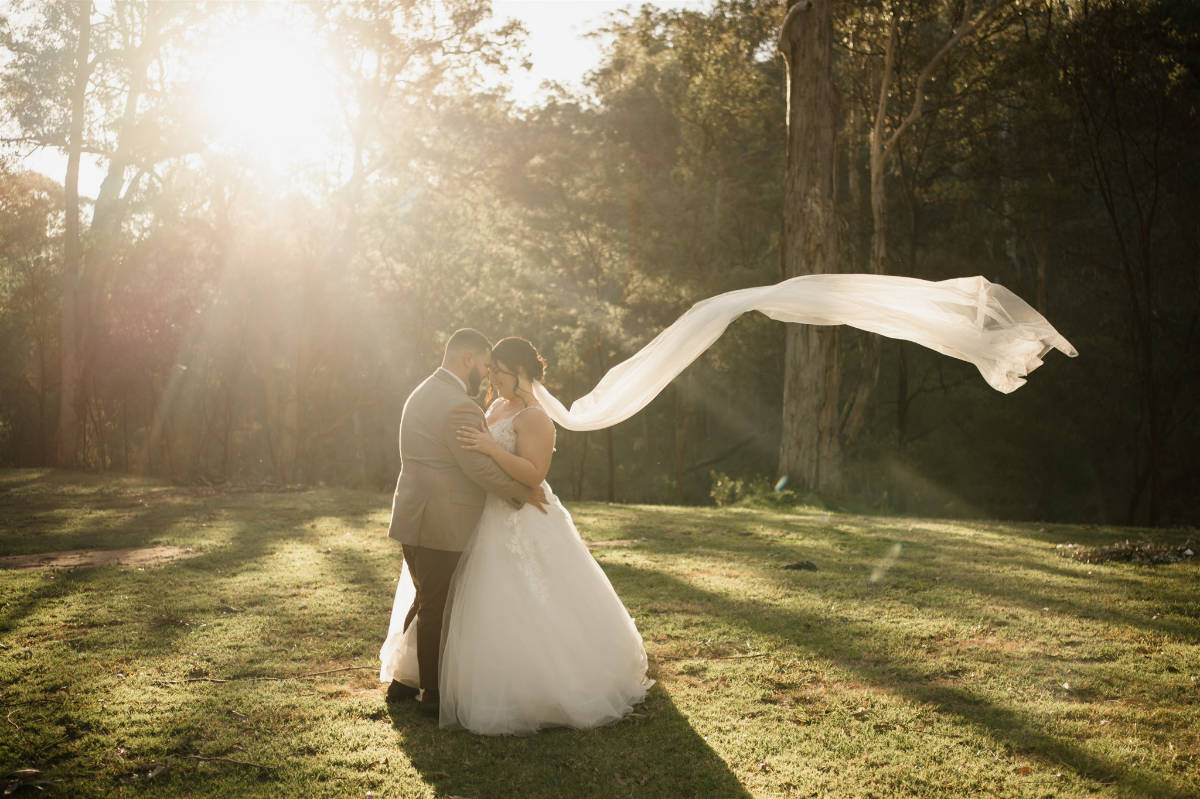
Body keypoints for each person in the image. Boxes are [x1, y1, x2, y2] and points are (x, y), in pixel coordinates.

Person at [381, 336, 653, 734]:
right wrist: (493, 460)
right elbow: (474, 460)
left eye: (498, 370)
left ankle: (484, 684)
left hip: (519, 515)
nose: (490, 376)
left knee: (463, 595)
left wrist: (492, 452)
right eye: (488, 369)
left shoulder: (536, 417)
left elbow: (534, 474)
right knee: (443, 595)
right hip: (480, 512)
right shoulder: (491, 406)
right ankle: (425, 681)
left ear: (519, 371)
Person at [381, 329, 547, 716]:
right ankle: (434, 696)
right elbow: (477, 468)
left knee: (425, 597)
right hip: (442, 519)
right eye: (486, 365)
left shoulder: (421, 391)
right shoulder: (459, 405)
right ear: (467, 360)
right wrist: (521, 493)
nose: (488, 375)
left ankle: (403, 683)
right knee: (436, 604)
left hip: (412, 514)